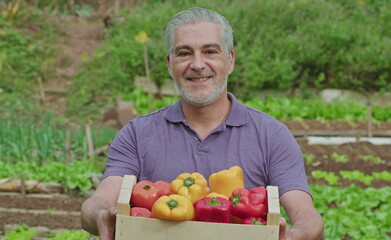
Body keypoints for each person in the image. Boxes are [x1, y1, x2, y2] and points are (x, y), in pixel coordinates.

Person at [81, 7, 324, 240]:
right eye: (184, 53)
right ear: (169, 64)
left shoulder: (272, 135)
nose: (197, 64)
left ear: (230, 60)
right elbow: (100, 201)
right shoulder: (137, 134)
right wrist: (100, 216)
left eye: (210, 51)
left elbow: (306, 214)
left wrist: (297, 233)